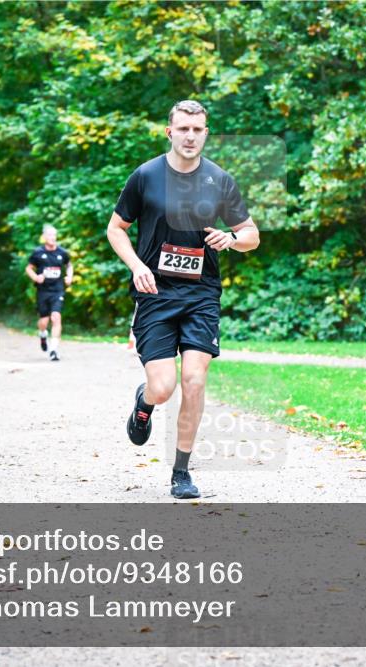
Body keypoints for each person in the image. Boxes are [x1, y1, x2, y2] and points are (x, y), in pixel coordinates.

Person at [106, 100, 260, 499]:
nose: (190, 136)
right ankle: (144, 403)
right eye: (183, 129)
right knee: (163, 387)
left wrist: (232, 239)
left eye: (198, 129)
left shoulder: (220, 180)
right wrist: (137, 265)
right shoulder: (146, 176)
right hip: (155, 292)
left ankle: (181, 472)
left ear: (206, 133)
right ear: (169, 132)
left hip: (201, 294)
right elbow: (116, 229)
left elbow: (251, 234)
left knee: (194, 380)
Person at [25, 225, 73, 362]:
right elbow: (29, 268)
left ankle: (53, 350)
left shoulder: (62, 252)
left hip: (58, 290)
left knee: (56, 317)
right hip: (43, 291)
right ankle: (42, 334)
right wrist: (35, 277)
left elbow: (69, 265)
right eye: (50, 235)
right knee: (43, 322)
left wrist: (69, 276)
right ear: (44, 237)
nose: (53, 238)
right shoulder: (38, 253)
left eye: (54, 235)